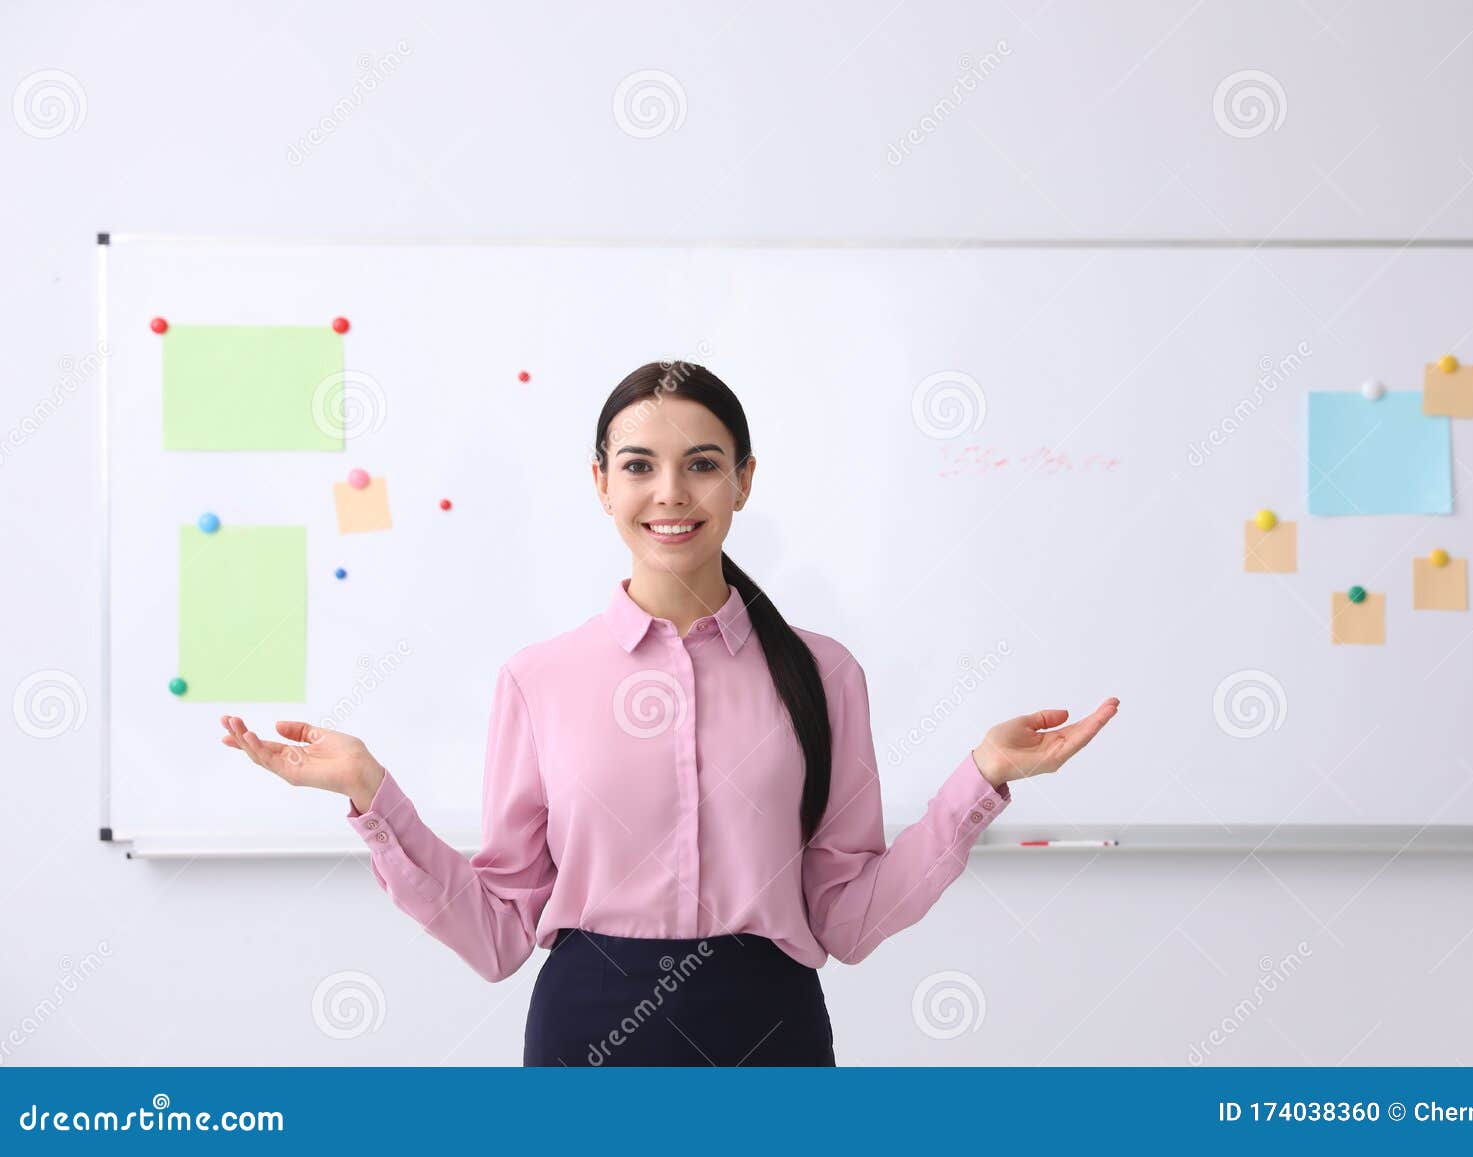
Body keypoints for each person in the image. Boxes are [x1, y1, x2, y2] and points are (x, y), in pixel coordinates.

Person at [221, 359, 1119, 1066]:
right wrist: (373, 796)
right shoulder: (540, 678)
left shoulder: (823, 672)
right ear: (602, 483)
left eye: (702, 465)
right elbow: (497, 934)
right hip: (588, 1039)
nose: (670, 494)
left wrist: (982, 779)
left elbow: (848, 916)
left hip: (770, 1037)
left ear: (744, 480)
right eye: (640, 466)